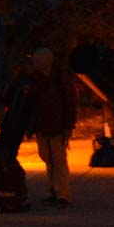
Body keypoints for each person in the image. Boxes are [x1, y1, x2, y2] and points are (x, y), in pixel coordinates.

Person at [21, 49, 76, 206]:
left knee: (59, 160)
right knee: (47, 159)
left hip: (57, 125)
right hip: (42, 125)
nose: (35, 64)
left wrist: (68, 125)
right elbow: (32, 103)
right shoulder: (36, 79)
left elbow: (69, 102)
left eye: (38, 61)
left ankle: (63, 194)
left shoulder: (60, 78)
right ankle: (53, 189)